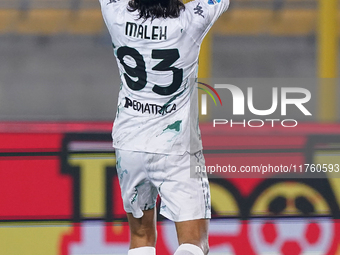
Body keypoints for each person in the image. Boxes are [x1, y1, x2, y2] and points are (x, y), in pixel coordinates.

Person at [99, 0, 229, 253]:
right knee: (194, 242)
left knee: (140, 237)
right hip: (176, 147)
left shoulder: (115, 14)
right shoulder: (192, 20)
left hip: (129, 144)